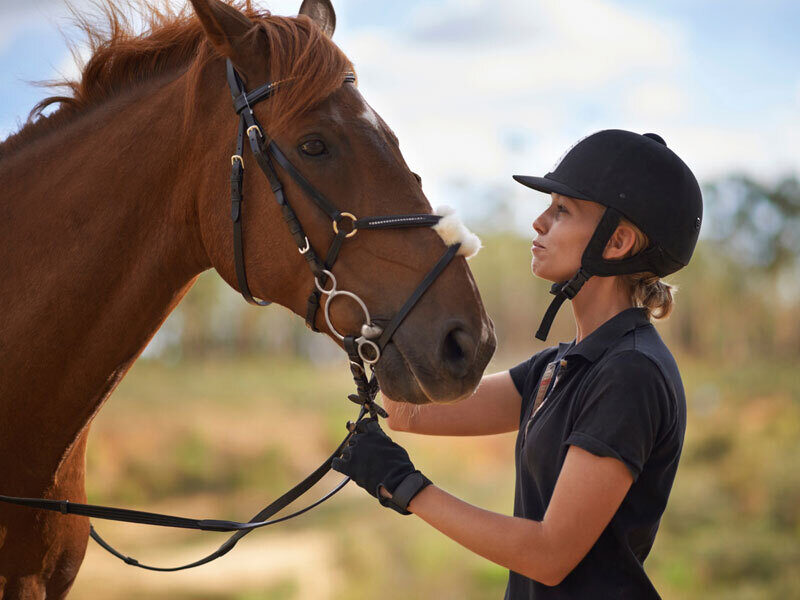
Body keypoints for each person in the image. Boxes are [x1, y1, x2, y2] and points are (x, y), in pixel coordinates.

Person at [332, 129, 703, 599]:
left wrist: (407, 487)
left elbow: (550, 556)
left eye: (562, 211)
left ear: (617, 242)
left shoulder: (630, 372)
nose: (538, 222)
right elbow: (408, 413)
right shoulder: (561, 365)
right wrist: (381, 314)